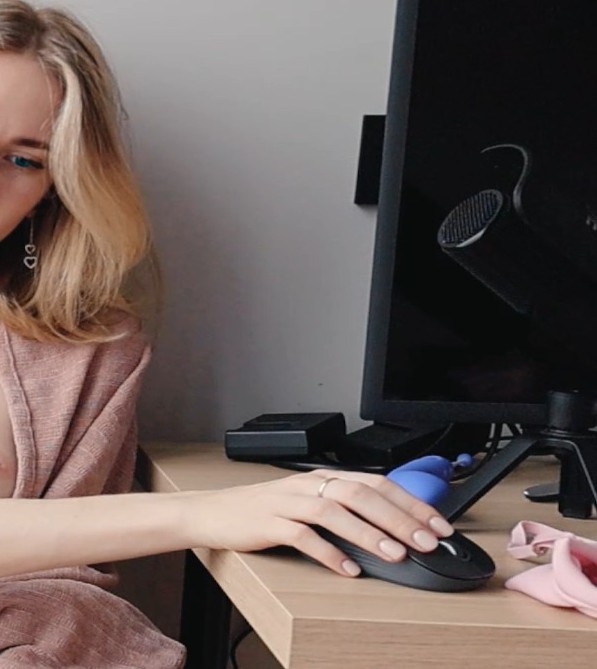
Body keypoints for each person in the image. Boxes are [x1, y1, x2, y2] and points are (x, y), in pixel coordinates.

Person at [0, 1, 455, 666]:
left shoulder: (88, 348)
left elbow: (65, 574)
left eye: (22, 159)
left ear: (55, 187)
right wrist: (205, 512)